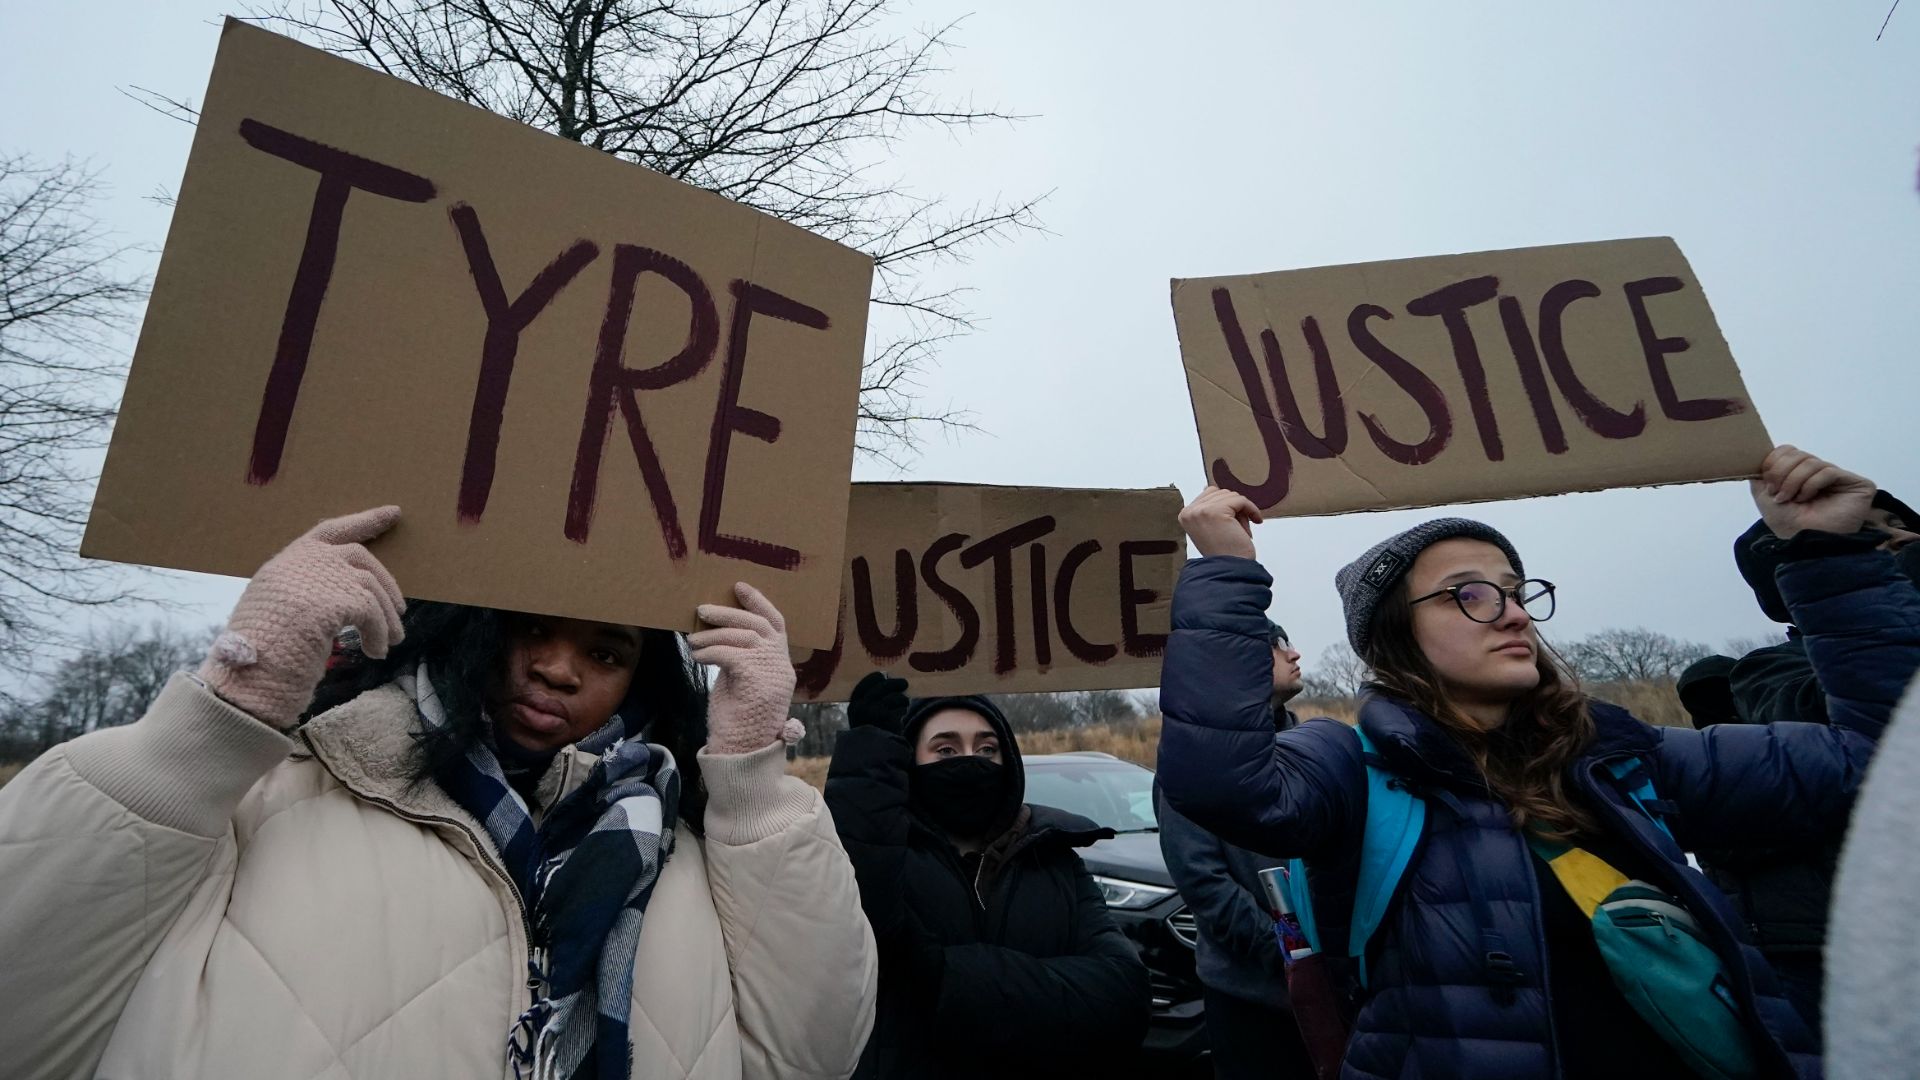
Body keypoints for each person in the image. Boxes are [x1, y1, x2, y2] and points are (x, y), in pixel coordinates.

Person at [0, 507, 878, 1080]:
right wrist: (231, 711)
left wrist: (754, 776)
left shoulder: (683, 848)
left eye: (607, 652)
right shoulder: (267, 791)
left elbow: (814, 1054)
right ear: (469, 627)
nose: (559, 668)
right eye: (530, 626)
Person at [1156, 445, 1920, 1079]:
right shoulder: (1353, 766)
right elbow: (1222, 784)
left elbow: (1879, 763)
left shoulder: (1624, 757)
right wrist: (1226, 572)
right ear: (1394, 635)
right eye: (1470, 596)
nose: (1515, 612)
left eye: (1518, 593)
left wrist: (1829, 555)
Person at [823, 671, 1149, 1079]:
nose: (969, 759)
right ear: (909, 761)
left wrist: (944, 976)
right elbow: (862, 911)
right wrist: (868, 763)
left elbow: (1122, 993)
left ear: (1007, 760)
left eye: (987, 748)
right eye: (945, 749)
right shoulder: (891, 860)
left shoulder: (1054, 858)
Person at [1693, 488, 1920, 1024]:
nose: (1902, 538)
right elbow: (1872, 728)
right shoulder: (1766, 673)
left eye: (1898, 524)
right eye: (1869, 536)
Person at [1155, 621, 1315, 1078]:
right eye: (1278, 646)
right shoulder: (1194, 756)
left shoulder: (1309, 749)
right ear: (1237, 661)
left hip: (1330, 989)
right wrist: (1289, 952)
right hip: (1251, 997)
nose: (1294, 654)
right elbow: (1203, 883)